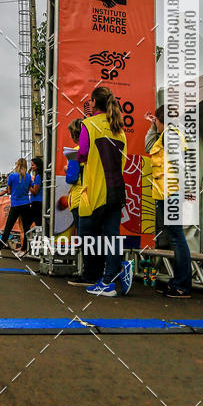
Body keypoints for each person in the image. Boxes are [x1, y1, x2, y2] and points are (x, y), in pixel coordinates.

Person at [77, 86, 133, 297]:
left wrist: (80, 159)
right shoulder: (119, 129)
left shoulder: (88, 124)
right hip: (117, 189)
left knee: (86, 234)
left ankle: (101, 275)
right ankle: (111, 277)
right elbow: (124, 161)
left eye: (90, 101)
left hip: (95, 190)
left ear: (93, 102)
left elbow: (82, 153)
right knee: (112, 236)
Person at [145, 105, 192, 298]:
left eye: (155, 120)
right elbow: (149, 147)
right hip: (167, 192)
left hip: (170, 192)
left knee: (177, 238)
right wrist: (153, 126)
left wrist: (181, 190)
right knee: (175, 237)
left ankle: (182, 285)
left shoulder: (170, 136)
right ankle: (178, 283)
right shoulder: (169, 134)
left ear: (159, 119)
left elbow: (179, 165)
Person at [0, 158, 34, 258]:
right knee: (26, 228)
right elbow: (31, 188)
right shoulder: (28, 176)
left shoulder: (12, 176)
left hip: (15, 204)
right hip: (26, 203)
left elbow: (9, 191)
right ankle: (24, 249)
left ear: (17, 165)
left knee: (8, 227)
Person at [29, 156, 43, 229]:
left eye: (33, 165)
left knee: (36, 223)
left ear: (37, 166)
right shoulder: (39, 176)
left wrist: (28, 185)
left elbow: (35, 192)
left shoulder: (38, 177)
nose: (31, 167)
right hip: (38, 202)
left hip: (37, 203)